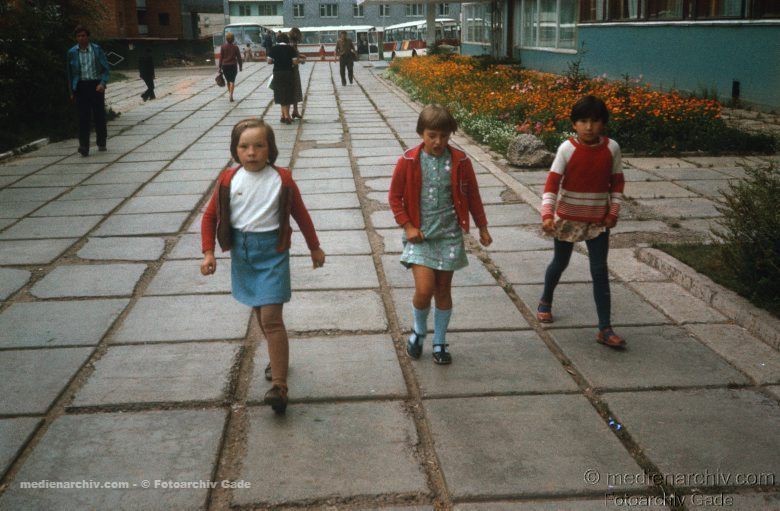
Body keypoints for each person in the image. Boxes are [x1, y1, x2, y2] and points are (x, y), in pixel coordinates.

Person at [200, 118, 326, 414]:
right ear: (235, 150)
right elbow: (209, 218)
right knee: (260, 312)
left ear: (270, 149)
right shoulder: (228, 181)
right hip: (243, 256)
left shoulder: (282, 179)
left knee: (271, 317)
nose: (252, 152)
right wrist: (208, 253)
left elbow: (301, 214)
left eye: (259, 146)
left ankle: (280, 387)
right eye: (244, 146)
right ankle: (277, 355)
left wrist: (314, 247)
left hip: (273, 253)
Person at [388, 104, 492, 365]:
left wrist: (482, 227)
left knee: (443, 289)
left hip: (448, 236)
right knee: (424, 289)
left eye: (444, 136)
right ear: (421, 133)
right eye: (432, 135)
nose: (438, 141)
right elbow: (394, 197)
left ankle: (440, 341)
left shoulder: (460, 161)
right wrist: (408, 226)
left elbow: (473, 197)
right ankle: (419, 331)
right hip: (420, 236)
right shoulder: (408, 161)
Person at [537, 95, 626, 349]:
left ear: (603, 124)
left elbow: (617, 181)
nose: (589, 127)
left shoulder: (612, 149)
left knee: (599, 270)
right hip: (567, 219)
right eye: (583, 121)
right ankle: (546, 299)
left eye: (595, 121)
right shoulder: (567, 149)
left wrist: (614, 212)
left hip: (597, 220)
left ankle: (605, 328)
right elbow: (553, 182)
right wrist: (547, 214)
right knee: (560, 262)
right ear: (574, 124)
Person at [66, 25, 110, 157]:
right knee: (82, 117)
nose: (81, 38)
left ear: (88, 36)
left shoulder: (96, 50)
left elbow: (105, 69)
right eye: (78, 36)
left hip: (96, 86)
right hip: (80, 86)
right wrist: (71, 92)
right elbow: (69, 74)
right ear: (76, 38)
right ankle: (84, 146)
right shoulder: (72, 52)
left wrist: (102, 83)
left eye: (83, 35)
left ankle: (101, 141)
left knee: (99, 115)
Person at [267, 33, 299, 124]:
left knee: (280, 93)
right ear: (287, 40)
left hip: (277, 73)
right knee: (288, 93)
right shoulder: (291, 49)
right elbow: (295, 61)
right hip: (289, 72)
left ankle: (285, 115)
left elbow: (269, 61)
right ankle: (286, 115)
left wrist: (276, 61)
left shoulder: (273, 49)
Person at [219, 32, 243, 102]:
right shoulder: (235, 47)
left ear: (226, 39)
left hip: (225, 66)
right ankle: (231, 96)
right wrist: (240, 67)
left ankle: (230, 94)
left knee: (228, 81)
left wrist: (219, 68)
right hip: (233, 66)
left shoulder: (223, 47)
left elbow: (221, 58)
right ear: (233, 39)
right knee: (232, 81)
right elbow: (239, 58)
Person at [287, 27, 305, 120]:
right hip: (292, 70)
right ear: (295, 34)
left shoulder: (293, 44)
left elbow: (294, 54)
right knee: (292, 91)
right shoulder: (291, 43)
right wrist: (301, 60)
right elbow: (291, 57)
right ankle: (289, 112)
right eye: (298, 34)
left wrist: (300, 55)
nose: (300, 36)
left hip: (294, 70)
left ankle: (295, 111)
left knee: (296, 91)